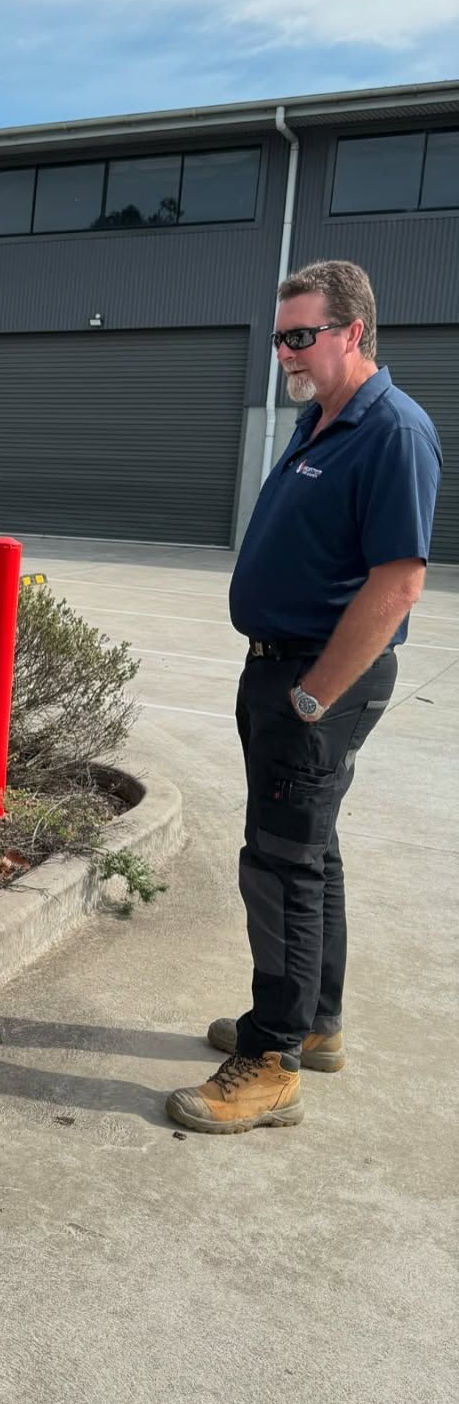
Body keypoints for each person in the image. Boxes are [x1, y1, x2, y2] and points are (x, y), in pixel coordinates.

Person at [167, 259, 442, 1135]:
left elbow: (398, 583)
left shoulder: (391, 429)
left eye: (300, 335)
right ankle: (314, 1024)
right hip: (283, 669)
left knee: (279, 863)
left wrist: (317, 697)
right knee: (309, 853)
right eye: (278, 334)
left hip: (319, 682)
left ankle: (272, 1059)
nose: (283, 350)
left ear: (353, 332)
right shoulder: (319, 419)